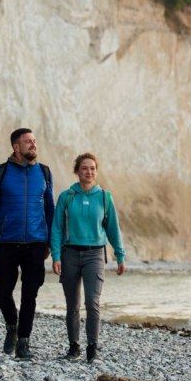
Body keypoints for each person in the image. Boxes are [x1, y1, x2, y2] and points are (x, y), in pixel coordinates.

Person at [0, 128, 55, 360]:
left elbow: (50, 209)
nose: (33, 145)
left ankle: (23, 342)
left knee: (30, 293)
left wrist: (52, 242)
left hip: (36, 243)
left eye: (34, 141)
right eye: (28, 142)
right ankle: (12, 325)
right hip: (7, 242)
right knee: (2, 289)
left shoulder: (45, 173)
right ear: (16, 147)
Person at [51, 152, 126, 363]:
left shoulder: (105, 197)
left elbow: (113, 229)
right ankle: (73, 348)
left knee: (92, 302)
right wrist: (56, 255)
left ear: (96, 171)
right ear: (77, 171)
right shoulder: (67, 197)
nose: (89, 172)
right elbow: (56, 228)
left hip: (95, 255)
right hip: (70, 254)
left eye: (92, 168)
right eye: (84, 168)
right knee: (72, 305)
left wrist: (120, 255)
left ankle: (92, 349)